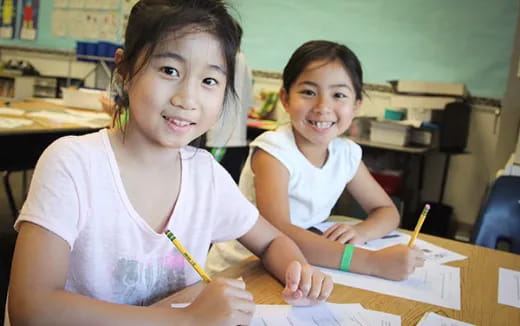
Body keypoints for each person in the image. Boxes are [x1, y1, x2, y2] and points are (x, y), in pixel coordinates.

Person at [7, 2, 333, 325]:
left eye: (209, 81)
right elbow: (32, 307)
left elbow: (273, 240)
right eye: (169, 71)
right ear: (125, 70)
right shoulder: (74, 164)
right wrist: (188, 319)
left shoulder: (205, 176)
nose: (187, 99)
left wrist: (298, 270)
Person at [208, 40, 425, 281]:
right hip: (242, 271)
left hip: (301, 266)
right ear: (285, 99)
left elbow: (387, 211)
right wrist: (371, 262)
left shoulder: (347, 154)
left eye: (339, 95)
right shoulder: (274, 151)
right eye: (309, 92)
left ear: (356, 106)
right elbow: (279, 232)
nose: (323, 107)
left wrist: (360, 232)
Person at [204, 50, 253, 183]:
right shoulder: (244, 61)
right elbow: (249, 101)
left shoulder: (227, 58)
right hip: (236, 138)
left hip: (219, 137)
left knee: (210, 181)